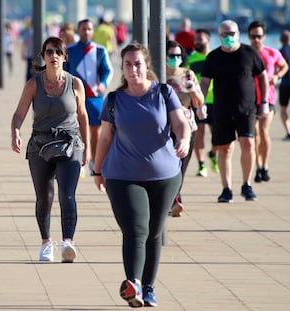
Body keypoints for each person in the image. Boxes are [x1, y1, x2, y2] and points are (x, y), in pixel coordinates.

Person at [93, 41, 191, 308]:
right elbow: (105, 137)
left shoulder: (164, 92)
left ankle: (149, 287)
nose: (133, 68)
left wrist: (183, 140)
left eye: (138, 63)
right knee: (136, 229)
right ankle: (133, 284)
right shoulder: (114, 100)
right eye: (127, 64)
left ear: (146, 66)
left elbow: (181, 122)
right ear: (122, 68)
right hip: (122, 175)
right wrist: (97, 169)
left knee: (154, 232)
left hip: (165, 175)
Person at [11, 37, 89, 263]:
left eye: (58, 52)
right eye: (49, 52)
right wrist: (15, 131)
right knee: (44, 197)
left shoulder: (75, 84)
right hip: (40, 146)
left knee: (67, 195)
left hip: (70, 144)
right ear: (43, 57)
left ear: (64, 57)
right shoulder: (34, 84)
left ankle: (68, 243)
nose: (53, 55)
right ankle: (46, 243)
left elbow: (83, 116)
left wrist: (87, 149)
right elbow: (19, 114)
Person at [200, 20, 269, 203]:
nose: (228, 37)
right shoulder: (213, 57)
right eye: (224, 34)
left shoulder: (249, 53)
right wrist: (200, 104)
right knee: (226, 149)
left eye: (231, 34)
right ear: (219, 35)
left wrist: (264, 102)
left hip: (246, 108)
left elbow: (263, 77)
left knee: (247, 143)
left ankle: (247, 185)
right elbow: (205, 82)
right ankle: (226, 188)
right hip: (222, 109)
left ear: (238, 34)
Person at [65, 19, 113, 174]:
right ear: (78, 30)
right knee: (75, 130)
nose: (86, 31)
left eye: (89, 29)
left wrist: (103, 83)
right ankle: (78, 162)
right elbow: (64, 70)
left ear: (93, 31)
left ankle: (94, 162)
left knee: (95, 131)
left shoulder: (100, 50)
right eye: (83, 29)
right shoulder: (70, 50)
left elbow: (107, 70)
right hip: (74, 97)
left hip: (94, 97)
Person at [166, 40, 205, 217]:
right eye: (171, 55)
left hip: (188, 128)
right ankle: (174, 200)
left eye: (178, 55)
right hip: (165, 128)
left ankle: (174, 200)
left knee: (181, 166)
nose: (175, 59)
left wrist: (192, 91)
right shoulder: (157, 75)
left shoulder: (188, 75)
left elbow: (198, 102)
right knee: (169, 166)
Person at [248, 21, 289, 183]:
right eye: (253, 36)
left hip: (268, 99)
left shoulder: (272, 53)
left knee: (264, 132)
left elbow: (284, 66)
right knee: (255, 134)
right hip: (250, 99)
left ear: (264, 37)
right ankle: (258, 166)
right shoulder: (246, 54)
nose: (256, 40)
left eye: (259, 36)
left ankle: (264, 166)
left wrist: (277, 77)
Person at [187, 28, 219, 177]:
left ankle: (213, 153)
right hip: (197, 101)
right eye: (195, 40)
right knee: (199, 133)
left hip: (216, 100)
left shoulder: (215, 57)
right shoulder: (191, 60)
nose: (197, 42)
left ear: (208, 40)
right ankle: (201, 165)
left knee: (218, 135)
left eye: (200, 39)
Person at [21, 17, 35, 82]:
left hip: (30, 54)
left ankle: (28, 84)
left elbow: (24, 43)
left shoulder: (28, 32)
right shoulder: (41, 32)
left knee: (29, 71)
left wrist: (23, 53)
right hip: (37, 55)